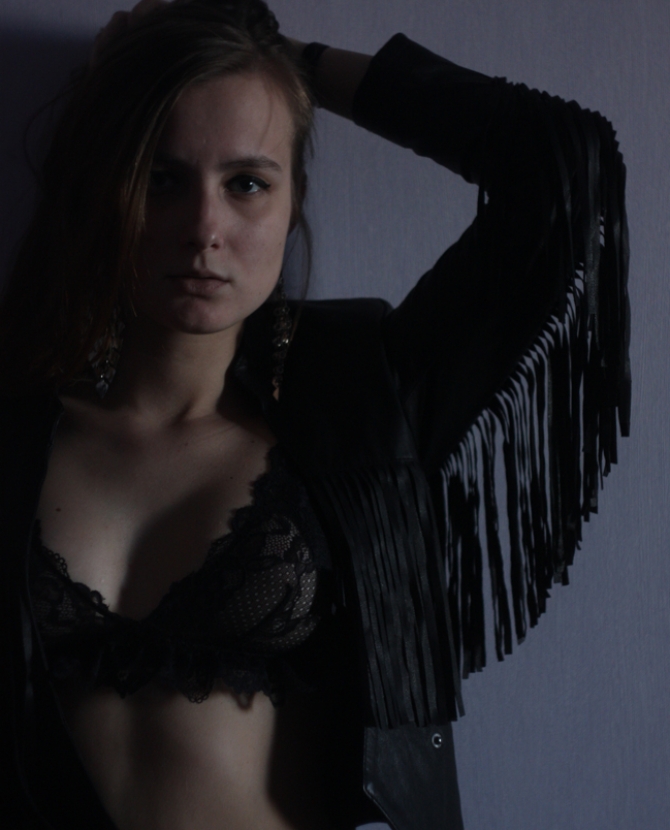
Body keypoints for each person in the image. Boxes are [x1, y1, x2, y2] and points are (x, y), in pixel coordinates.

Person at [0, 0, 630, 828]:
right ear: (104, 193)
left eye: (247, 183)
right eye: (161, 178)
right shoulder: (18, 419)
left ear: (293, 201)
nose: (204, 229)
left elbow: (565, 163)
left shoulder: (366, 401)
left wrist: (284, 60)